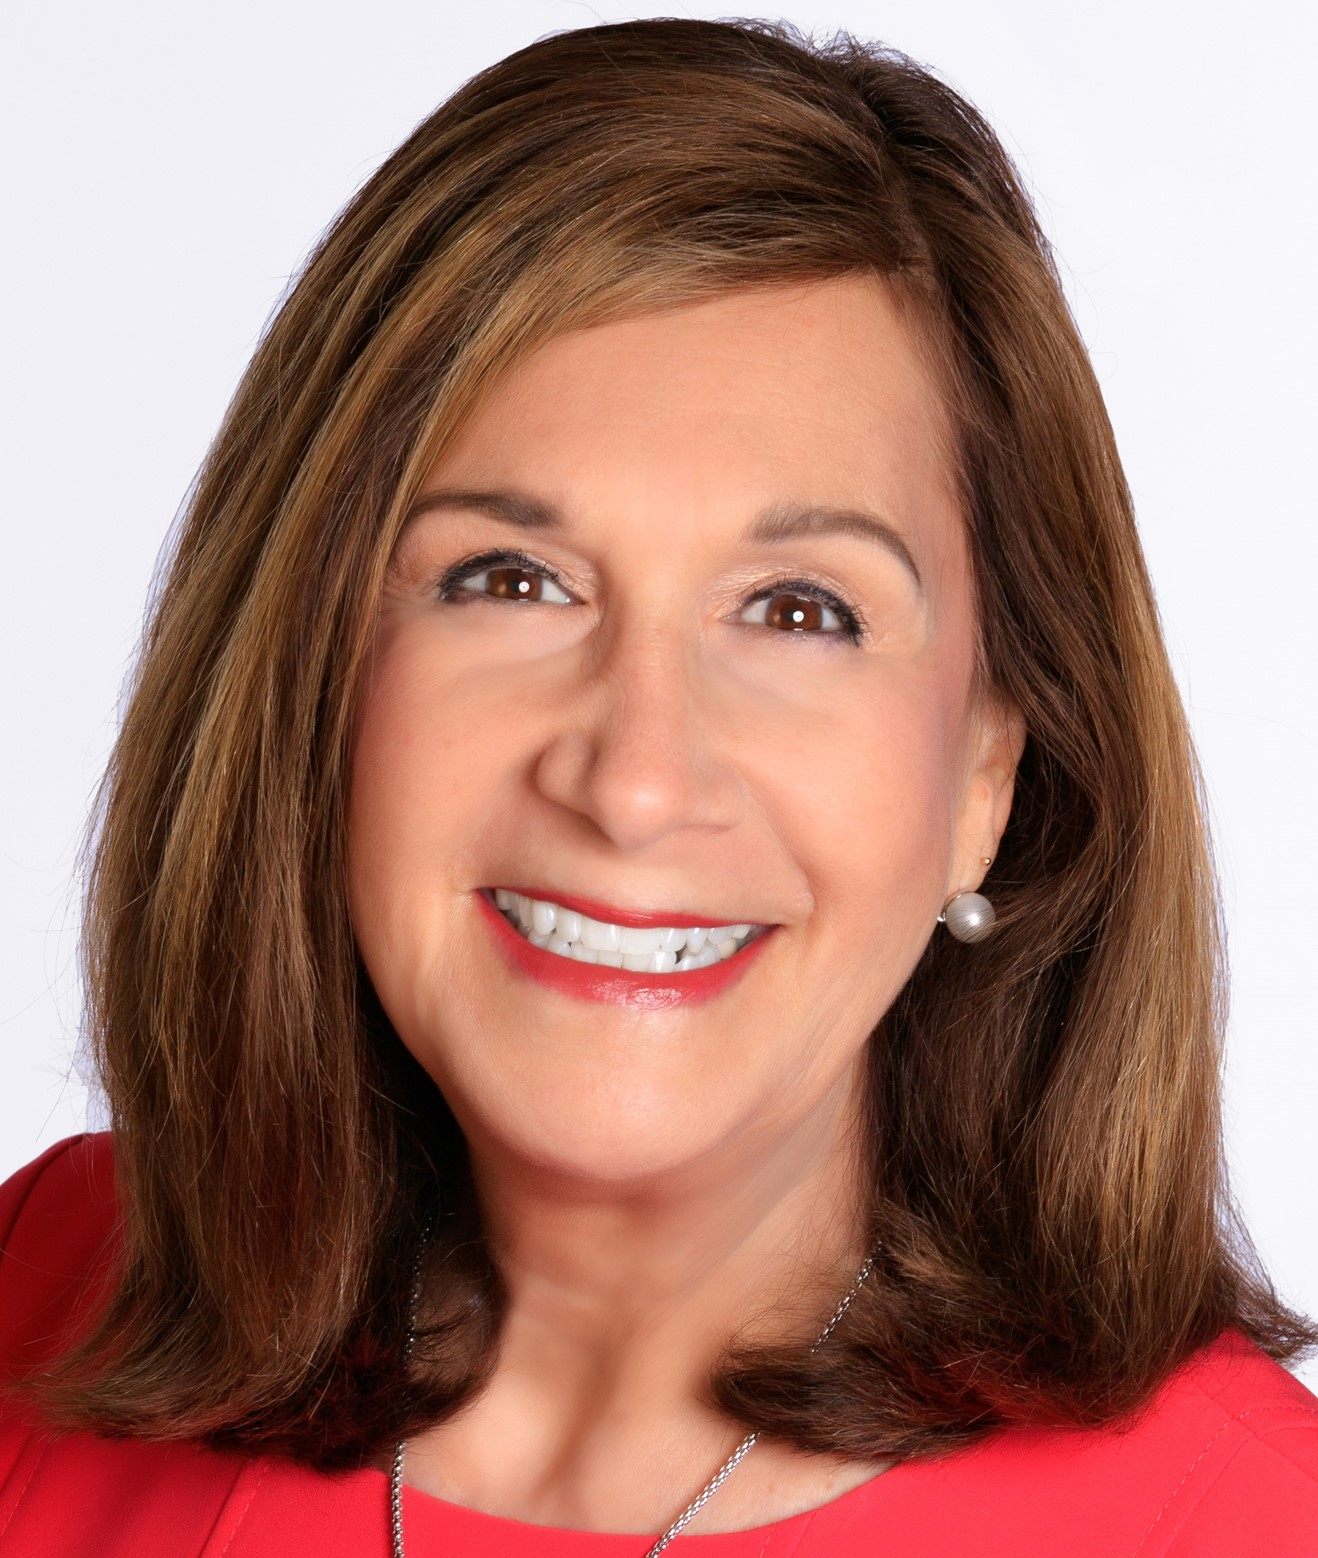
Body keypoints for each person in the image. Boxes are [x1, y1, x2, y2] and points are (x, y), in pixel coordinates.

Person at [1, 17, 1315, 1556]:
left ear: (984, 773)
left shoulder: (1245, 1520)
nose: (631, 782)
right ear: (309, 675)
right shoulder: (45, 1294)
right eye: (509, 578)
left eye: (798, 610)